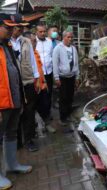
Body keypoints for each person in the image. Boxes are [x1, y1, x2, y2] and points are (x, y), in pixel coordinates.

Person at [0, 15, 32, 189]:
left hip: (13, 99)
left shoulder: (8, 46)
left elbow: (14, 71)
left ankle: (12, 165)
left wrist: (21, 96)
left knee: (11, 133)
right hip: (1, 102)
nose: (11, 30)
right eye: (7, 27)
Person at [10, 24, 41, 152]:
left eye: (22, 28)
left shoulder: (26, 41)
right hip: (14, 83)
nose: (21, 30)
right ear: (12, 28)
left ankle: (29, 140)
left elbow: (33, 60)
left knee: (29, 111)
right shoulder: (5, 42)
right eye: (18, 28)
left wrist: (37, 78)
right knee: (16, 112)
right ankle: (15, 141)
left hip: (28, 81)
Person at [23, 31, 57, 133]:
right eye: (33, 41)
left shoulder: (36, 52)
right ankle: (31, 130)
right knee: (30, 110)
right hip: (30, 87)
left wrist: (44, 82)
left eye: (35, 41)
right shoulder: (24, 55)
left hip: (41, 85)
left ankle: (46, 124)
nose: (35, 43)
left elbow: (40, 70)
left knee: (45, 105)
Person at [52, 31, 80, 126]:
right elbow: (55, 64)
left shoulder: (73, 48)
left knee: (70, 96)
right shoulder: (58, 48)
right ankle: (62, 117)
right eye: (68, 37)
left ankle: (68, 115)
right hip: (62, 77)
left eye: (71, 37)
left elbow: (76, 63)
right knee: (63, 97)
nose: (70, 39)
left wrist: (77, 77)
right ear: (64, 37)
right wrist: (56, 78)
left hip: (71, 77)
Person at [35, 24, 54, 125]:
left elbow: (51, 55)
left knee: (49, 93)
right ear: (36, 32)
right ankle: (41, 117)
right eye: (40, 32)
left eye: (44, 31)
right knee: (40, 95)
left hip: (49, 72)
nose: (43, 33)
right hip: (39, 74)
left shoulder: (49, 42)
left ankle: (47, 115)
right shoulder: (34, 42)